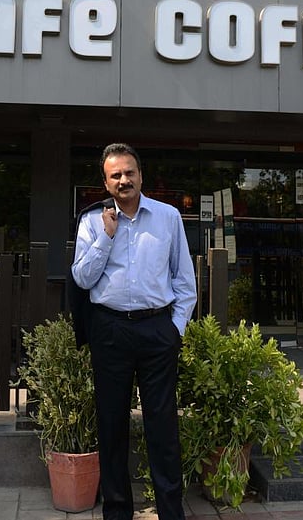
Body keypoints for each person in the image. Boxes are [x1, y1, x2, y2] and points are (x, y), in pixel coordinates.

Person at [71, 143, 196, 520]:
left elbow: (184, 281)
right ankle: (118, 512)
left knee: (163, 428)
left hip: (157, 330)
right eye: (115, 175)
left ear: (141, 175)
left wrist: (174, 329)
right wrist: (106, 238)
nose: (123, 180)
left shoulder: (168, 216)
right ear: (105, 182)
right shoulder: (92, 221)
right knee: (111, 427)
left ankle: (170, 512)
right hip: (110, 331)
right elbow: (82, 277)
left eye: (129, 172)